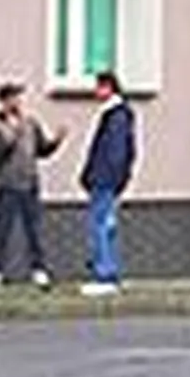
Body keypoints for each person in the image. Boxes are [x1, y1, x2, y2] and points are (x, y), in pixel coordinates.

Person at [0, 81, 63, 289]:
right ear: (3, 101)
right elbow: (0, 152)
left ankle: (39, 270)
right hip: (7, 184)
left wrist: (56, 142)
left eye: (19, 97)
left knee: (33, 230)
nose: (17, 101)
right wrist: (13, 132)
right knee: (1, 231)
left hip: (30, 183)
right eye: (13, 97)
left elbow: (41, 150)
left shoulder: (31, 123)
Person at [77, 68, 138, 295]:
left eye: (99, 86)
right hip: (108, 179)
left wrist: (104, 177)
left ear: (108, 87)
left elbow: (114, 152)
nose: (96, 91)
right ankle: (109, 273)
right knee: (107, 225)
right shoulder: (118, 114)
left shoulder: (116, 115)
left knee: (101, 225)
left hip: (105, 179)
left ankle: (104, 275)